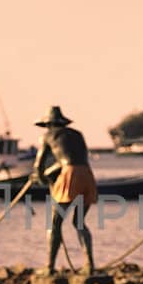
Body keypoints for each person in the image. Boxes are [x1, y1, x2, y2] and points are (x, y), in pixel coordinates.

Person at [32, 104, 98, 274]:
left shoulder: (48, 136)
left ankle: (49, 267)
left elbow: (39, 165)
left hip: (70, 175)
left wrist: (41, 178)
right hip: (87, 175)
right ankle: (89, 265)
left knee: (55, 224)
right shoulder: (77, 135)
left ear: (49, 124)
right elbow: (73, 158)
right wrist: (51, 172)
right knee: (79, 222)